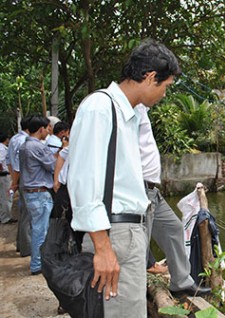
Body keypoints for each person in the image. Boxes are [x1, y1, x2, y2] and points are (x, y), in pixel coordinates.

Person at [67, 39, 181, 318]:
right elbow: (83, 180)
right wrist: (102, 247)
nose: (165, 94)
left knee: (130, 311)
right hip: (113, 234)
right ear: (151, 77)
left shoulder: (126, 115)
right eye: (166, 86)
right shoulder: (100, 108)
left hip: (128, 233)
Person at [137, 104, 211, 296]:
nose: (164, 94)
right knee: (138, 243)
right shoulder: (128, 108)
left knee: (174, 229)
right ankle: (134, 292)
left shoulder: (141, 109)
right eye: (165, 85)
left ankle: (180, 283)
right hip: (139, 190)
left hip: (153, 191)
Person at [18, 115, 55, 275]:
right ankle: (37, 264)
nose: (48, 131)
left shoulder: (24, 146)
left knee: (36, 229)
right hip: (39, 193)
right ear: (41, 129)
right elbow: (52, 166)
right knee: (41, 231)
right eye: (47, 128)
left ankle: (37, 262)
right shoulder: (38, 147)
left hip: (30, 193)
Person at [7, 116, 31, 256]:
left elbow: (9, 161)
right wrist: (15, 182)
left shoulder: (14, 139)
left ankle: (21, 244)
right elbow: (17, 165)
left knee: (23, 214)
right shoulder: (23, 141)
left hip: (20, 179)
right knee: (27, 215)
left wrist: (14, 180)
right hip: (25, 179)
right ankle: (27, 248)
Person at [0, 132, 16, 224]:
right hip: (4, 175)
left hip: (3, 175)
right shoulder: (2, 149)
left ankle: (2, 215)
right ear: (6, 139)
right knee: (7, 196)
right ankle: (6, 217)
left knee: (2, 196)